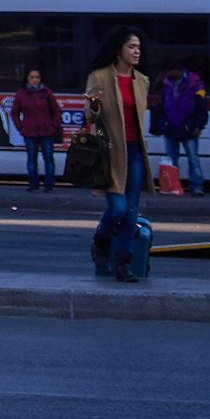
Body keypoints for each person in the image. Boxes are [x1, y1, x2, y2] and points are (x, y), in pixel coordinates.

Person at [81, 27, 150, 281]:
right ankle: (101, 242)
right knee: (118, 208)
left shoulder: (141, 81)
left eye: (139, 47)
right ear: (119, 50)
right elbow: (89, 116)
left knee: (132, 211)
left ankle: (124, 263)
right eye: (132, 47)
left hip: (135, 152)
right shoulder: (99, 77)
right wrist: (95, 107)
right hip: (110, 155)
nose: (136, 51)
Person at [159, 61, 208, 196]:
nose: (168, 74)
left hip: (189, 127)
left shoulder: (196, 84)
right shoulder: (166, 83)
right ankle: (172, 185)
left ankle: (197, 185)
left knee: (193, 158)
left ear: (179, 70)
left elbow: (201, 107)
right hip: (171, 127)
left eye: (171, 71)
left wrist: (199, 126)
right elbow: (161, 104)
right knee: (172, 159)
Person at [11, 67, 65, 192]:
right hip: (30, 132)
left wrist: (53, 126)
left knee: (49, 159)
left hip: (46, 131)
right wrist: (21, 128)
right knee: (31, 159)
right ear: (27, 79)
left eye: (37, 77)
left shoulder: (46, 93)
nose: (34, 80)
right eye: (32, 77)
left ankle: (49, 185)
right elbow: (14, 113)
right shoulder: (21, 94)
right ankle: (33, 184)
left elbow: (57, 111)